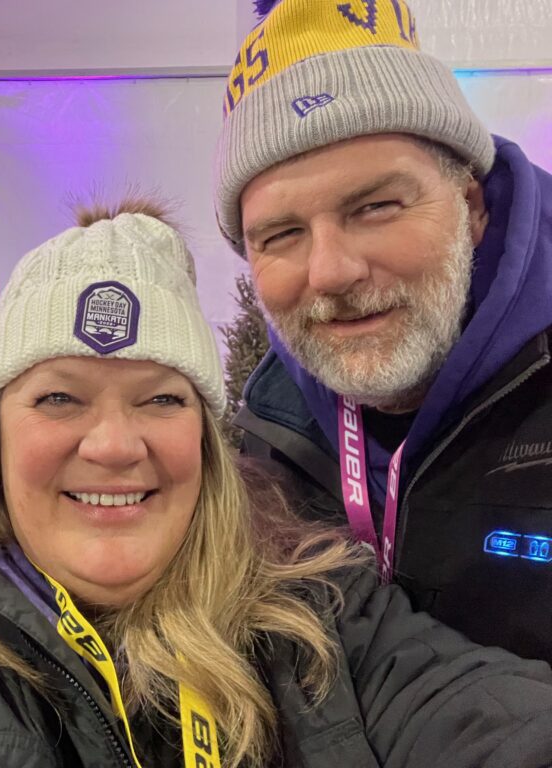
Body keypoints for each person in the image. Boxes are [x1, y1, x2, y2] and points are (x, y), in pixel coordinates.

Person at [0, 202, 552, 768]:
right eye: (59, 397)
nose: (112, 445)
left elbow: (487, 717)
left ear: (204, 434)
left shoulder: (329, 616)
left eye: (161, 398)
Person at [213, 0, 552, 663]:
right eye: (281, 234)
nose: (332, 271)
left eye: (375, 207)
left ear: (471, 206)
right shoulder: (270, 432)